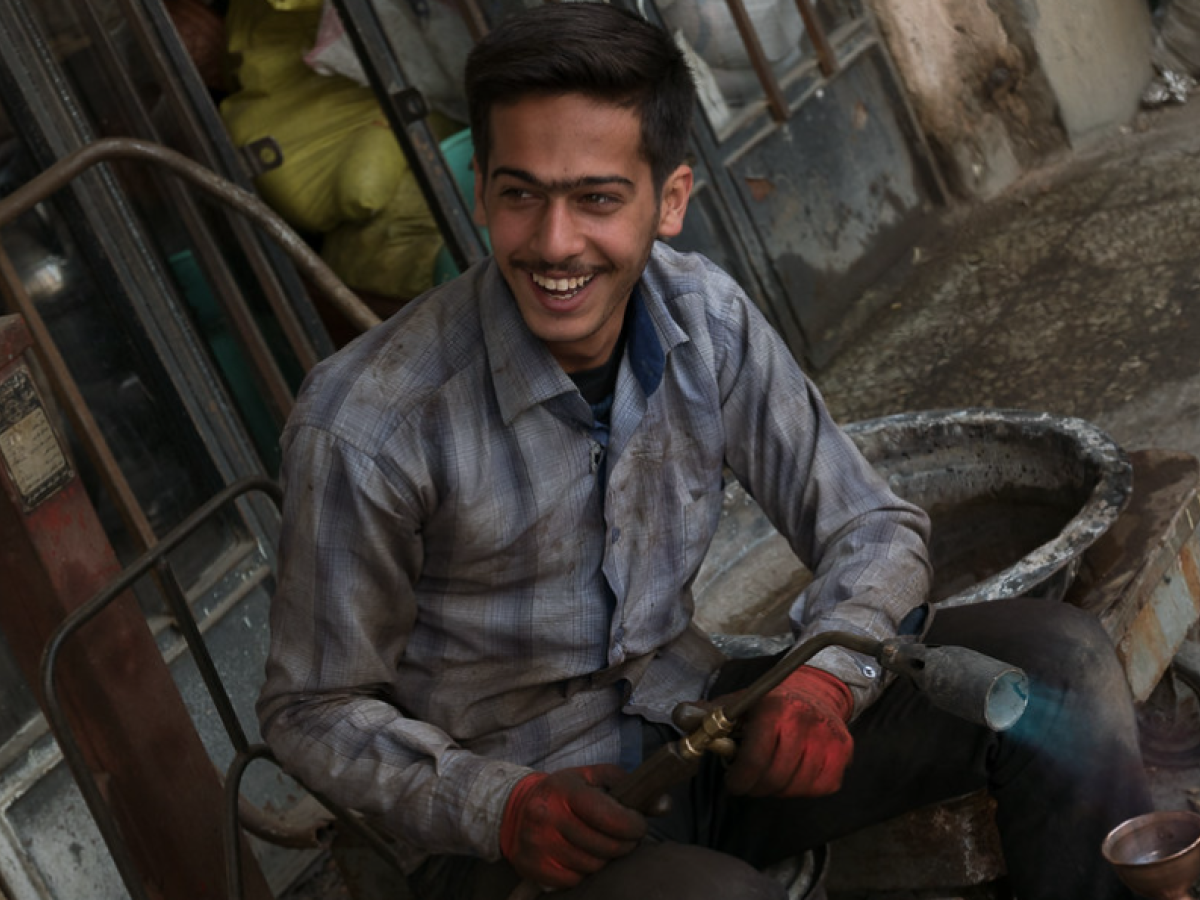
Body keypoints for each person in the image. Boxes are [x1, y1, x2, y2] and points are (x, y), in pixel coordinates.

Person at [257, 4, 1152, 898]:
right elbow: (310, 710)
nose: (554, 243)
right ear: (482, 192)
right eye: (520, 194)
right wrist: (501, 805)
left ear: (671, 200)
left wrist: (824, 682)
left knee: (1061, 670)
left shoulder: (705, 317)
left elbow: (870, 525)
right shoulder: (368, 424)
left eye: (597, 198)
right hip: (515, 834)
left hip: (697, 732)